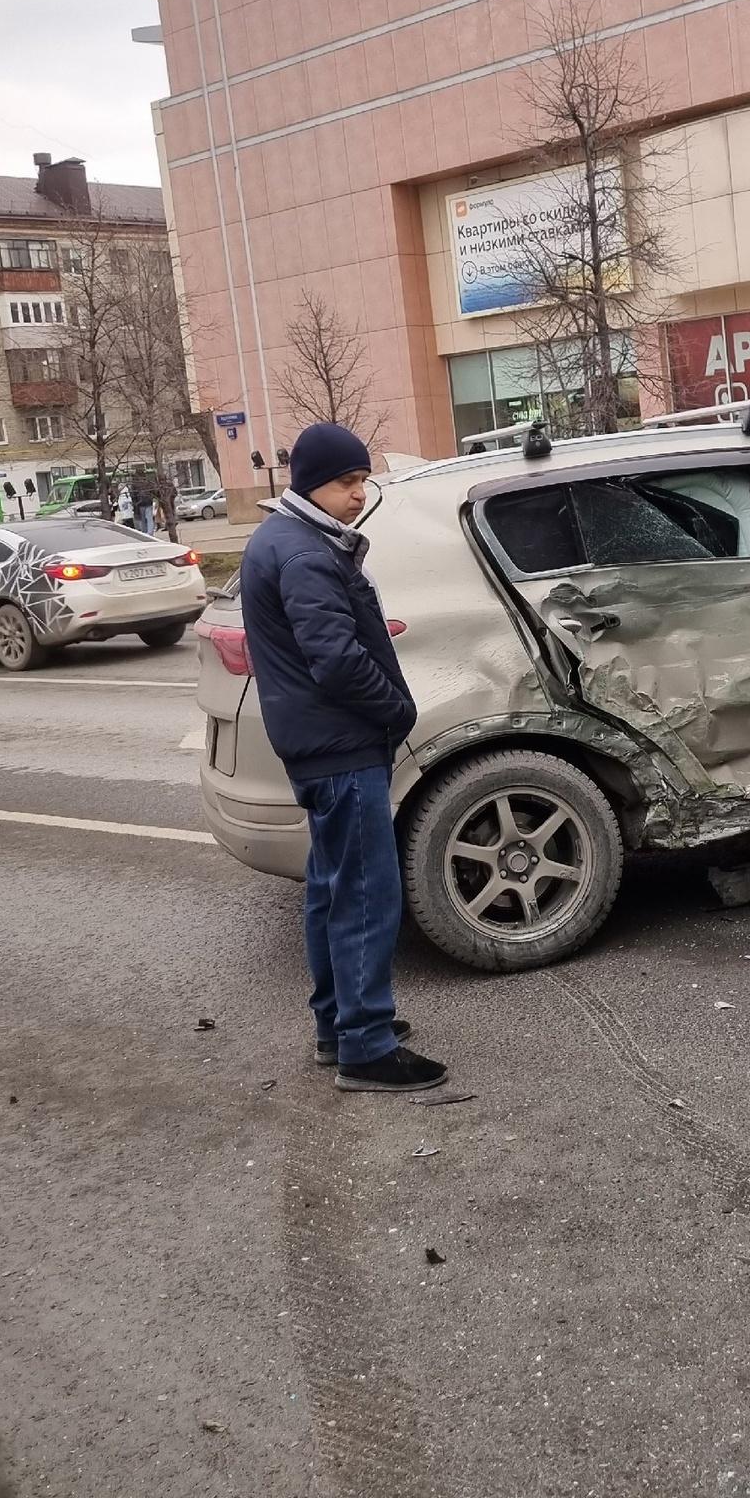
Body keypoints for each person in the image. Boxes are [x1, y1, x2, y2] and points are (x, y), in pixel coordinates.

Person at [238, 423, 447, 1093]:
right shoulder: (302, 552)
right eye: (346, 482)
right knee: (364, 894)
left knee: (334, 891)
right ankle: (365, 1045)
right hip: (340, 743)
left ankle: (339, 1026)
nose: (360, 494)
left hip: (320, 742)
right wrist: (397, 708)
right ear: (311, 484)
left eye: (363, 480)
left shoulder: (289, 539)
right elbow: (334, 658)